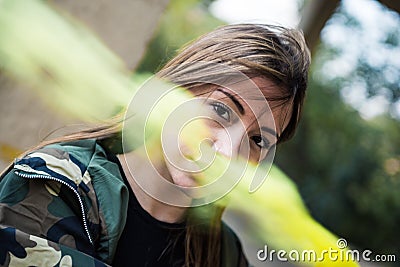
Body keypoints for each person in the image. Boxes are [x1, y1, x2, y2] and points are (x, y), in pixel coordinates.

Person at [0, 23, 310, 267]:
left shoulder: (224, 253)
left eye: (258, 140)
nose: (230, 153)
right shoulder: (54, 183)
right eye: (221, 110)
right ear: (176, 89)